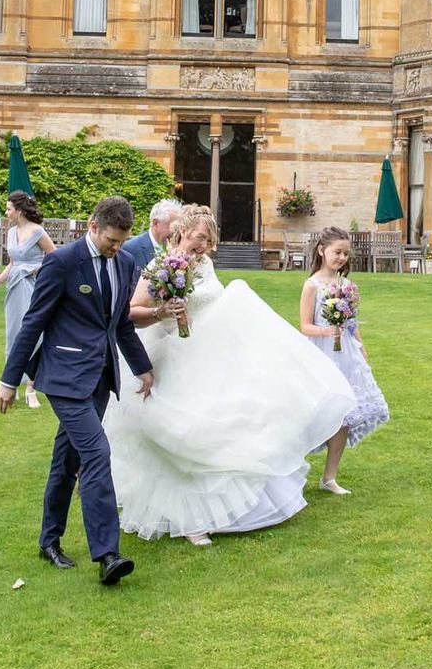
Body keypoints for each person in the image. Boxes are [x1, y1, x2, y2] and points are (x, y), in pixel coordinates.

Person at [104, 204, 354, 547]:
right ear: (181, 234)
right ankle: (190, 518)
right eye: (199, 238)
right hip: (174, 357)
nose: (205, 245)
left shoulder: (204, 264)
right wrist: (162, 310)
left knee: (234, 423)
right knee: (186, 434)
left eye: (209, 240)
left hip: (213, 357)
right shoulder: (159, 266)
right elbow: (131, 314)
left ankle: (229, 510)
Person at [0, 195, 153, 587]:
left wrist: (142, 368)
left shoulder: (126, 263)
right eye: (110, 241)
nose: (116, 248)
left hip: (100, 377)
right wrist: (9, 379)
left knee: (67, 458)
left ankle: (49, 540)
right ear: (92, 226)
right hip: (63, 377)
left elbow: (119, 325)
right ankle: (108, 554)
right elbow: (33, 323)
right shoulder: (62, 262)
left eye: (121, 241)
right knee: (96, 451)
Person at [299, 226, 390, 493]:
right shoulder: (312, 285)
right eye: (337, 252)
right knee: (314, 413)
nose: (341, 258)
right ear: (321, 250)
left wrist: (360, 346)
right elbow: (305, 326)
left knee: (346, 416)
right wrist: (328, 330)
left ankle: (329, 477)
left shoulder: (347, 285)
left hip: (346, 354)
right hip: (321, 352)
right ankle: (290, 470)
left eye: (345, 254)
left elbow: (352, 322)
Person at [2, 190, 55, 410]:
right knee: (14, 332)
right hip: (14, 287)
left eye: (9, 209)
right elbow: (12, 263)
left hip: (33, 288)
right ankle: (12, 382)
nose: (6, 212)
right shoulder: (11, 232)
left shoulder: (37, 231)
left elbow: (54, 256)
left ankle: (31, 388)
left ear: (20, 210)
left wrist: (37, 270)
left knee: (34, 333)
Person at [121, 198, 181, 270]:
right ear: (155, 223)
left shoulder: (177, 251)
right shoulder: (130, 249)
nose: (175, 231)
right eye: (173, 226)